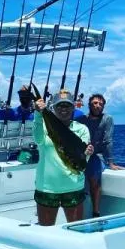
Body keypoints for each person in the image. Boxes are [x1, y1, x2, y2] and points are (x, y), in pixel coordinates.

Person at [32, 88, 94, 225]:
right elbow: (37, 140)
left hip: (73, 188)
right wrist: (38, 113)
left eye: (67, 105)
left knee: (76, 230)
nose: (64, 109)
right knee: (46, 232)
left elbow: (83, 159)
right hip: (47, 188)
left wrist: (88, 153)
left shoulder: (82, 129)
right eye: (60, 105)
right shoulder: (43, 126)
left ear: (73, 108)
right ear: (53, 108)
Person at [77, 93, 123, 217]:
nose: (98, 106)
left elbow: (108, 141)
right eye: (95, 103)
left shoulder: (107, 119)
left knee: (94, 177)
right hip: (81, 155)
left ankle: (96, 212)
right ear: (89, 105)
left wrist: (111, 163)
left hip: (96, 155)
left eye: (101, 104)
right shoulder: (80, 120)